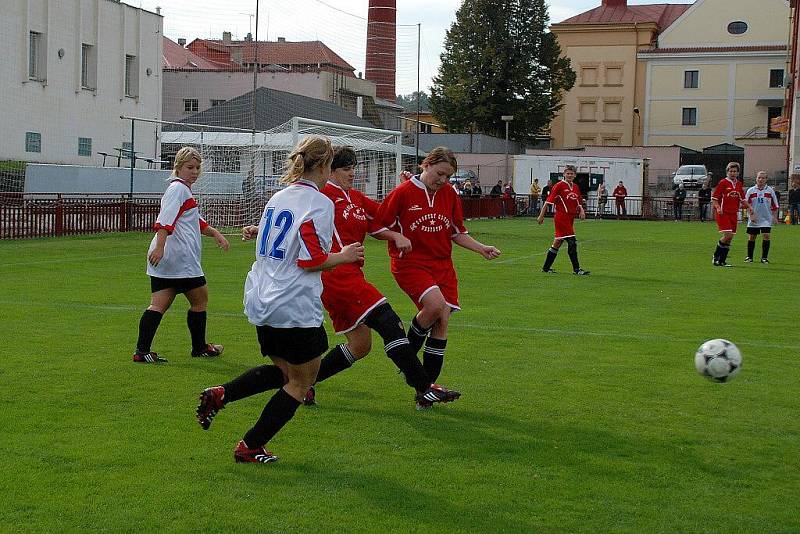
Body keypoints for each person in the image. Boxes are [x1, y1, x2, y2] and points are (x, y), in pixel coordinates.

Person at [195, 136, 366, 464]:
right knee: (302, 382)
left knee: (287, 373)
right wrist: (344, 256)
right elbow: (311, 260)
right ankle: (251, 445)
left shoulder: (279, 197)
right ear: (324, 166)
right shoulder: (320, 203)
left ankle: (222, 394)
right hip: (294, 303)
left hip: (262, 298)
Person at [305, 146, 461, 408]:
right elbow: (291, 214)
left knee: (360, 346)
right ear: (328, 170)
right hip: (335, 274)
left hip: (350, 275)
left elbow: (385, 215)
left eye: (353, 167)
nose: (352, 173)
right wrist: (259, 226)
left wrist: (408, 190)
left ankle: (302, 383)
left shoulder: (354, 197)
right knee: (388, 321)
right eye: (345, 168)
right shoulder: (321, 195)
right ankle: (424, 387)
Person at [373, 147, 501, 409]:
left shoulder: (450, 195)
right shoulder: (402, 192)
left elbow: (456, 232)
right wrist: (397, 236)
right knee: (435, 306)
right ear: (426, 165)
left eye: (448, 176)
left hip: (443, 266)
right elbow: (377, 226)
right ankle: (407, 357)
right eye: (440, 173)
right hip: (410, 264)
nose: (443, 180)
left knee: (441, 321)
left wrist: (481, 248)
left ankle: (424, 393)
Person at [132, 146, 230, 363]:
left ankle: (142, 351)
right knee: (200, 299)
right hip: (179, 259)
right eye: (189, 167)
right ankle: (200, 348)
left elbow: (194, 220)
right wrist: (160, 247)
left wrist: (215, 234)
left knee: (158, 304)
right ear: (178, 168)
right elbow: (165, 220)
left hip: (169, 261)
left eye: (197, 167)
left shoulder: (182, 190)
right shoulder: (178, 189)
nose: (194, 171)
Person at [537, 165, 590, 275]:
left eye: (572, 173)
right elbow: (548, 201)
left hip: (570, 218)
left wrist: (582, 211)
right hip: (561, 217)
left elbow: (579, 202)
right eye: (567, 173)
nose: (569, 175)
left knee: (557, 243)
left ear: (575, 175)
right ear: (564, 174)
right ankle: (576, 269)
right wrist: (541, 216)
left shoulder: (575, 187)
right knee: (572, 242)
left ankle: (546, 268)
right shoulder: (559, 186)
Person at [711, 161, 753, 267]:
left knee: (730, 237)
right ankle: (716, 256)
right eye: (731, 171)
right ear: (727, 172)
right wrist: (718, 207)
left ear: (738, 173)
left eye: (735, 171)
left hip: (733, 213)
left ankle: (722, 261)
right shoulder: (723, 183)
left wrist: (750, 207)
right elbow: (714, 198)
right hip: (723, 213)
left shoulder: (738, 184)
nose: (733, 173)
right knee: (727, 235)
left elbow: (743, 199)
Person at [744, 171, 779, 263]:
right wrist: (751, 215)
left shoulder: (770, 191)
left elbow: (775, 205)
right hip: (754, 218)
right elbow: (746, 204)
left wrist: (775, 217)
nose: (761, 179)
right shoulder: (751, 190)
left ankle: (764, 258)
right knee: (752, 237)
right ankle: (749, 257)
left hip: (766, 218)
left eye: (763, 178)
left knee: (766, 236)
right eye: (759, 177)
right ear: (756, 179)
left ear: (766, 179)